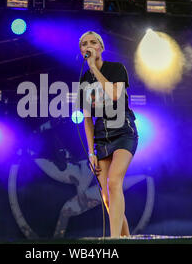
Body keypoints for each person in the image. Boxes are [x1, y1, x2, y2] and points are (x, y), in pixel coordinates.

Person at [77, 31, 139, 238]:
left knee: (114, 182)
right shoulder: (84, 80)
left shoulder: (116, 68)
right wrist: (91, 152)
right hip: (102, 136)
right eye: (84, 44)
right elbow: (87, 119)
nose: (89, 46)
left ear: (101, 48)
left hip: (123, 130)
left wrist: (94, 67)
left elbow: (114, 95)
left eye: (93, 42)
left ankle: (114, 241)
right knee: (106, 196)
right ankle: (126, 238)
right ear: (81, 51)